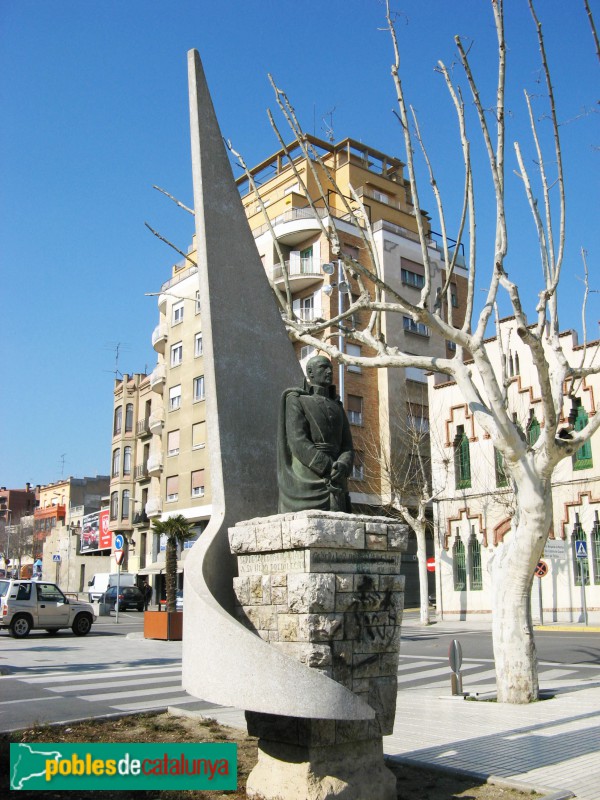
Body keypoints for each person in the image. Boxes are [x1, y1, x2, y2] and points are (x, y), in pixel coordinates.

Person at [278, 355, 354, 513]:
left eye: (331, 368)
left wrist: (343, 464)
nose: (329, 372)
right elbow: (298, 441)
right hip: (308, 478)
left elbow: (347, 446)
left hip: (337, 479)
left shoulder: (338, 406)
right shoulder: (296, 400)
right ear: (310, 372)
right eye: (323, 368)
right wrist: (328, 466)